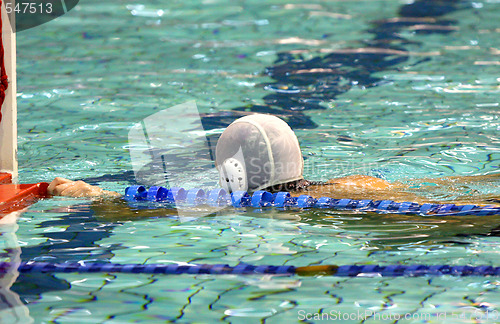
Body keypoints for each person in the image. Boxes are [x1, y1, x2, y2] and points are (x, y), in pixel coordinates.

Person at [48, 114, 499, 206]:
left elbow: (140, 203)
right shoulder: (349, 185)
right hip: (351, 186)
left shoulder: (226, 202)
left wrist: (84, 190)